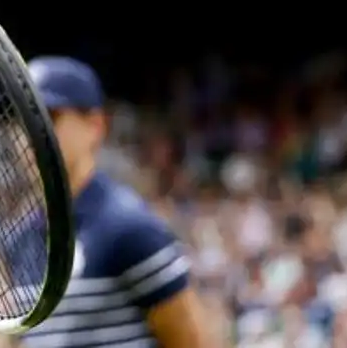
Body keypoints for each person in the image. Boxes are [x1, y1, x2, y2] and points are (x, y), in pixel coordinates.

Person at [21, 56, 214, 348]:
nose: (33, 132)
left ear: (95, 127)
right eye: (25, 117)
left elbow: (195, 342)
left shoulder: (129, 228)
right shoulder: (19, 239)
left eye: (51, 116)